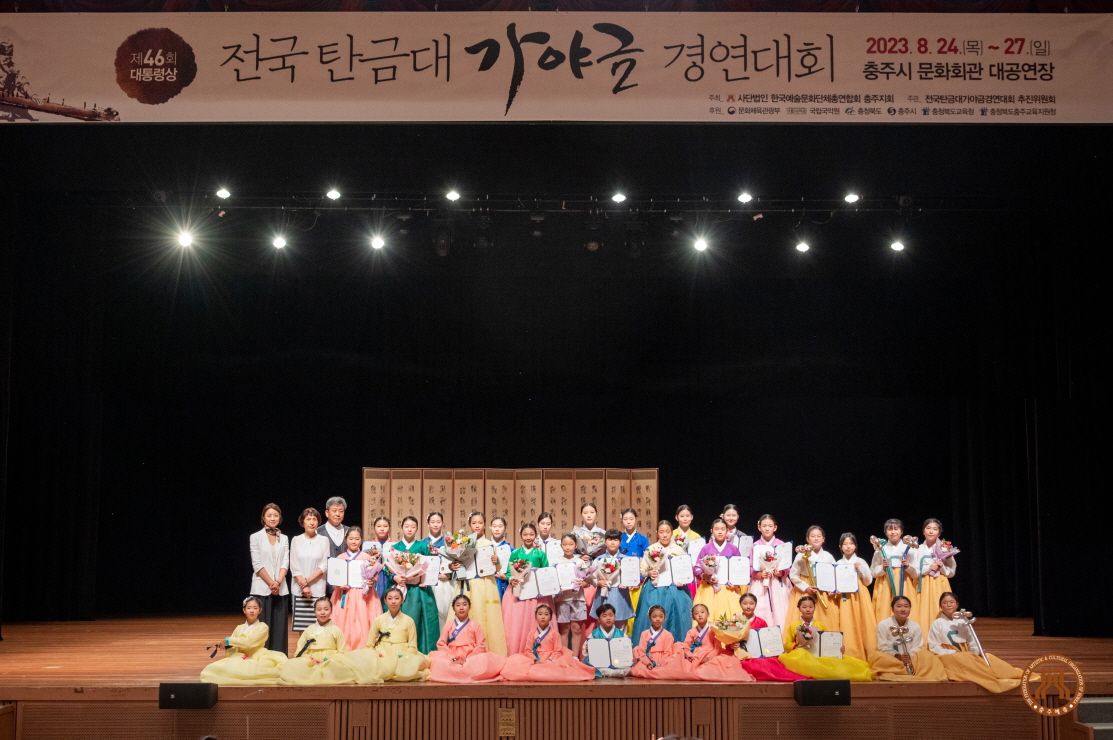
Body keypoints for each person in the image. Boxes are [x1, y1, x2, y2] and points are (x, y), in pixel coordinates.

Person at [928, 592, 1022, 693]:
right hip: (948, 656)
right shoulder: (937, 623)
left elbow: (971, 641)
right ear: (941, 606)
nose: (948, 605)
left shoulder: (963, 621)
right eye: (945, 603)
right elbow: (934, 646)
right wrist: (953, 652)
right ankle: (988, 680)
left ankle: (1007, 675)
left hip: (965, 655)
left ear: (957, 605)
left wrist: (976, 652)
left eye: (951, 602)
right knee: (964, 660)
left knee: (988, 658)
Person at [341, 587, 431, 683]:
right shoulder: (378, 620)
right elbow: (369, 645)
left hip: (402, 652)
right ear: (385, 601)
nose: (393, 601)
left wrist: (404, 656)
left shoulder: (409, 621)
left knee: (405, 671)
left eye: (397, 598)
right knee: (365, 665)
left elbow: (413, 647)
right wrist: (376, 654)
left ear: (402, 600)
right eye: (390, 598)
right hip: (382, 652)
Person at [451, 511, 508, 656]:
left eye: (480, 523)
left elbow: (497, 568)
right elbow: (455, 564)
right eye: (474, 523)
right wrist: (453, 566)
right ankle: (463, 652)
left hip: (485, 584)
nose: (477, 525)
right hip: (467, 584)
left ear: (485, 525)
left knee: (485, 616)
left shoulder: (490, 544)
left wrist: (496, 561)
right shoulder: (461, 543)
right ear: (469, 525)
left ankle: (488, 652)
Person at [778, 596, 872, 682]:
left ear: (814, 608)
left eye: (811, 607)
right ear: (799, 608)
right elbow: (787, 644)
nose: (808, 609)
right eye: (804, 607)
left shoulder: (820, 625)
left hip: (819, 656)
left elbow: (827, 642)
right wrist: (796, 647)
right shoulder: (793, 626)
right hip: (802, 656)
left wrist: (838, 648)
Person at [200, 596, 288, 685]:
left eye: (255, 608)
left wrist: (228, 640)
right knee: (211, 669)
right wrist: (242, 657)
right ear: (244, 610)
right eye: (249, 608)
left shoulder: (263, 627)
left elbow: (249, 642)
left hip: (258, 657)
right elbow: (230, 650)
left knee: (267, 668)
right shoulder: (239, 628)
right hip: (240, 658)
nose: (252, 611)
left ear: (260, 610)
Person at [631, 520, 693, 644]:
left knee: (677, 616)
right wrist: (649, 573)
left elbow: (686, 569)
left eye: (667, 532)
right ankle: (650, 645)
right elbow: (642, 569)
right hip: (655, 589)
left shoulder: (678, 549)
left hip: (675, 589)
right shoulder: (651, 549)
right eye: (661, 532)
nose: (664, 535)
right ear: (657, 533)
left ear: (671, 533)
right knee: (653, 614)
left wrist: (683, 580)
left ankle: (677, 645)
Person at [498, 604, 595, 682]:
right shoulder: (532, 633)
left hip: (551, 658)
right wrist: (535, 660)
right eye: (540, 614)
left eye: (546, 614)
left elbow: (557, 650)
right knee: (514, 663)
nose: (543, 617)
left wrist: (550, 659)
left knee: (557, 669)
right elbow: (528, 650)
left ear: (550, 617)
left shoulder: (554, 633)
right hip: (535, 657)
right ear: (535, 617)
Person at [502, 522, 555, 655]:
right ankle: (517, 651)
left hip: (536, 594)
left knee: (534, 619)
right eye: (525, 534)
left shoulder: (540, 554)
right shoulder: (515, 553)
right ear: (521, 535)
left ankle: (539, 651)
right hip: (519, 591)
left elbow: (546, 571)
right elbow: (508, 572)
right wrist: (512, 579)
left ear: (535, 535)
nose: (528, 537)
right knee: (517, 622)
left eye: (531, 534)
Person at [277, 598, 356, 685]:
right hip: (310, 661)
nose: (322, 612)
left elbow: (342, 653)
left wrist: (327, 661)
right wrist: (311, 660)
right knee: (292, 664)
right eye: (319, 609)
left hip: (330, 662)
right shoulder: (308, 630)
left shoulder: (336, 630)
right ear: (314, 611)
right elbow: (298, 652)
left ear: (331, 611)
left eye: (326, 609)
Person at [429, 595, 506, 683]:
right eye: (458, 605)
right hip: (451, 656)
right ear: (453, 609)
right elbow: (441, 643)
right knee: (439, 661)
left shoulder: (475, 625)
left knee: (483, 662)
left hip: (472, 657)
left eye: (464, 604)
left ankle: (460, 672)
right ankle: (460, 672)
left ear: (469, 607)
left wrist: (468, 659)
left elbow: (481, 644)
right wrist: (453, 658)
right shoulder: (448, 625)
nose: (461, 608)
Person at [868, 595, 946, 682]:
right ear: (892, 609)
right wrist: (898, 656)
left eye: (906, 606)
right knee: (878, 657)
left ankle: (914, 671)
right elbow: (882, 646)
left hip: (910, 659)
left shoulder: (915, 627)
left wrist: (909, 658)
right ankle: (899, 671)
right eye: (899, 606)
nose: (903, 609)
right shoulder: (883, 625)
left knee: (927, 656)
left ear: (910, 609)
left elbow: (917, 647)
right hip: (891, 659)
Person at [734, 593, 809, 682]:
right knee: (750, 665)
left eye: (751, 603)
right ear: (740, 604)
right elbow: (729, 641)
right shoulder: (735, 621)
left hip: (759, 655)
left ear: (755, 604)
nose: (748, 606)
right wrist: (732, 645)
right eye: (745, 603)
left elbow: (766, 640)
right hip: (741, 655)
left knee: (769, 664)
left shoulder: (761, 622)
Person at [392, 516, 440, 654]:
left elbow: (430, 566)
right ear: (402, 527)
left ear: (417, 528)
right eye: (407, 526)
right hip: (401, 588)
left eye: (413, 526)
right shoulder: (395, 547)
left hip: (419, 589)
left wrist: (426, 580)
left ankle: (422, 652)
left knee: (421, 621)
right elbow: (388, 569)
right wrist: (395, 577)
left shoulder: (423, 546)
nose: (409, 529)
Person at [330, 527, 382, 650]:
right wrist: (338, 585)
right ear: (346, 540)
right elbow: (333, 579)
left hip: (363, 595)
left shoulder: (367, 557)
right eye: (351, 539)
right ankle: (344, 648)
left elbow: (375, 578)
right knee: (344, 622)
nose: (354, 541)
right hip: (345, 594)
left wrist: (371, 582)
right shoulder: (340, 558)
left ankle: (362, 648)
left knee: (362, 621)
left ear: (361, 540)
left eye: (357, 539)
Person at [249, 503, 290, 653]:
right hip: (262, 587)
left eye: (276, 515)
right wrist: (271, 583)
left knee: (279, 628)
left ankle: (279, 659)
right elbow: (257, 564)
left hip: (281, 588)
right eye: (269, 515)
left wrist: (278, 582)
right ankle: (261, 658)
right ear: (263, 518)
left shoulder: (284, 538)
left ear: (280, 517)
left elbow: (285, 562)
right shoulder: (255, 537)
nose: (273, 518)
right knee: (262, 628)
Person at [783, 526, 839, 631]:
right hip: (806, 589)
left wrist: (832, 589)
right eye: (813, 536)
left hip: (824, 592)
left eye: (819, 536)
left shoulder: (828, 556)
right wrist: (806, 587)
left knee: (826, 619)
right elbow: (793, 575)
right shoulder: (801, 555)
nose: (816, 538)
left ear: (823, 539)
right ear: (807, 539)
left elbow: (835, 575)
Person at [692, 518, 745, 625]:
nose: (720, 532)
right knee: (709, 618)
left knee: (729, 620)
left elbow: (740, 569)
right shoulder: (706, 548)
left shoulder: (733, 549)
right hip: (709, 588)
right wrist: (705, 576)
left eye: (722, 529)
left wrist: (735, 585)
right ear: (711, 531)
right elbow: (697, 567)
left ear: (727, 531)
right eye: (716, 529)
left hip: (728, 589)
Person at [747, 514, 791, 639]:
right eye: (764, 526)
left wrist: (781, 573)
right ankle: (760, 639)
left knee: (780, 610)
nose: (767, 528)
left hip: (778, 582)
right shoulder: (755, 545)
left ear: (775, 528)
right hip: (760, 583)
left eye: (770, 526)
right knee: (761, 608)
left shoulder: (781, 544)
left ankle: (780, 639)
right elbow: (750, 567)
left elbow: (788, 567)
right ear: (759, 527)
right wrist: (759, 574)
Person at [835, 533, 877, 661]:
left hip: (860, 595)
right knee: (847, 621)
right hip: (844, 597)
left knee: (863, 620)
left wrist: (861, 568)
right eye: (845, 544)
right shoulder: (838, 563)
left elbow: (868, 581)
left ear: (855, 546)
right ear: (840, 547)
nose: (848, 547)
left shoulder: (861, 561)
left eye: (851, 544)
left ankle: (868, 653)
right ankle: (851, 652)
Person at [910, 518, 957, 632]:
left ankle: (942, 637)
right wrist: (928, 568)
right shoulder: (916, 549)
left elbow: (951, 572)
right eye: (928, 528)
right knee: (922, 611)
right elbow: (913, 571)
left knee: (939, 609)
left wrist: (942, 567)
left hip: (939, 584)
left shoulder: (944, 548)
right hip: (922, 584)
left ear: (939, 533)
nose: (931, 531)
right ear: (923, 531)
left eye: (935, 529)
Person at [870, 518, 919, 624]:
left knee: (905, 610)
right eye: (890, 529)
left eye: (896, 529)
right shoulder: (880, 549)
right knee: (884, 612)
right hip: (885, 585)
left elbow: (916, 574)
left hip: (905, 585)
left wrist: (908, 566)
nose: (893, 532)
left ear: (901, 531)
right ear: (885, 532)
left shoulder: (909, 548)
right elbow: (873, 572)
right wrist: (883, 568)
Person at [290, 507, 329, 633]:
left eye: (314, 519)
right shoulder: (296, 540)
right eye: (308, 519)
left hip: (317, 588)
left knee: (317, 626)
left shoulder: (324, 540)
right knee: (301, 626)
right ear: (303, 522)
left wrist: (308, 580)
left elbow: (325, 564)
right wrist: (304, 585)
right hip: (299, 588)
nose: (311, 522)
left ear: (318, 522)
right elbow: (294, 565)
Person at [591, 529, 635, 632]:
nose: (612, 542)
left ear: (620, 542)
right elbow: (591, 579)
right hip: (603, 595)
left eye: (615, 540)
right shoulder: (599, 559)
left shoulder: (627, 560)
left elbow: (632, 579)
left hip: (621, 595)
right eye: (610, 539)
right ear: (605, 542)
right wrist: (598, 582)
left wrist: (630, 584)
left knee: (621, 627)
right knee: (602, 628)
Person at [572, 502, 606, 629]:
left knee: (598, 607)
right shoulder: (575, 534)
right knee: (584, 607)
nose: (589, 515)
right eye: (585, 513)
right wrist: (579, 557)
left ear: (596, 514)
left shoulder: (603, 533)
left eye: (592, 512)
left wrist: (598, 558)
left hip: (599, 573)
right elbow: (569, 553)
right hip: (582, 574)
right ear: (581, 515)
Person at [554, 533, 589, 654]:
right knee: (564, 629)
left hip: (577, 599)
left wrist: (585, 583)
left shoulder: (580, 562)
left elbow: (588, 582)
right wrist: (556, 587)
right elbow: (552, 583)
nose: (567, 547)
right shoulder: (556, 563)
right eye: (565, 544)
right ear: (561, 546)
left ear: (576, 546)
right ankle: (565, 656)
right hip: (561, 599)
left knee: (577, 628)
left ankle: (575, 657)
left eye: (570, 544)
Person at [422, 511, 455, 628]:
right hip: (427, 583)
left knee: (446, 612)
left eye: (438, 522)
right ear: (427, 524)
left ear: (443, 523)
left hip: (445, 582)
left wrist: (449, 575)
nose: (435, 524)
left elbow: (457, 562)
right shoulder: (422, 543)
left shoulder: (450, 542)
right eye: (432, 522)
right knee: (429, 614)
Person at [581, 603, 633, 677]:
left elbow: (628, 647)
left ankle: (616, 672)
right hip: (600, 662)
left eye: (611, 615)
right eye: (604, 616)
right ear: (599, 619)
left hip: (617, 662)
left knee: (628, 668)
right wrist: (588, 649)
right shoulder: (594, 634)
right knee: (592, 666)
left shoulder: (621, 634)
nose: (608, 618)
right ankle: (612, 673)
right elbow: (585, 651)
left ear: (615, 617)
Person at [630, 605, 681, 679]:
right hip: (647, 659)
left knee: (665, 670)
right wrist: (648, 663)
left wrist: (660, 663)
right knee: (640, 670)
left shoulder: (668, 635)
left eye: (661, 616)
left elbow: (668, 652)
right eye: (654, 616)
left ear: (665, 618)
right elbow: (642, 652)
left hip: (663, 660)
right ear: (649, 618)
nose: (658, 619)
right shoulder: (644, 633)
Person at [672, 505, 701, 598]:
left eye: (687, 516)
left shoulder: (697, 536)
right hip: (675, 572)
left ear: (692, 517)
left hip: (691, 573)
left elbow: (700, 557)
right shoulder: (671, 534)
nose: (685, 519)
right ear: (676, 517)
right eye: (682, 516)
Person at [367, 516, 394, 603]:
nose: (382, 529)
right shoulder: (369, 545)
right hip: (374, 578)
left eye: (385, 526)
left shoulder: (395, 545)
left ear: (389, 528)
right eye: (379, 526)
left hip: (389, 577)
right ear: (374, 528)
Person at [490, 516, 514, 599]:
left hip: (504, 585)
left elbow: (515, 573)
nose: (497, 529)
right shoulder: (485, 546)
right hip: (488, 584)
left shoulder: (511, 549)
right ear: (490, 528)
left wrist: (506, 577)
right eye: (494, 526)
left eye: (500, 526)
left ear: (505, 528)